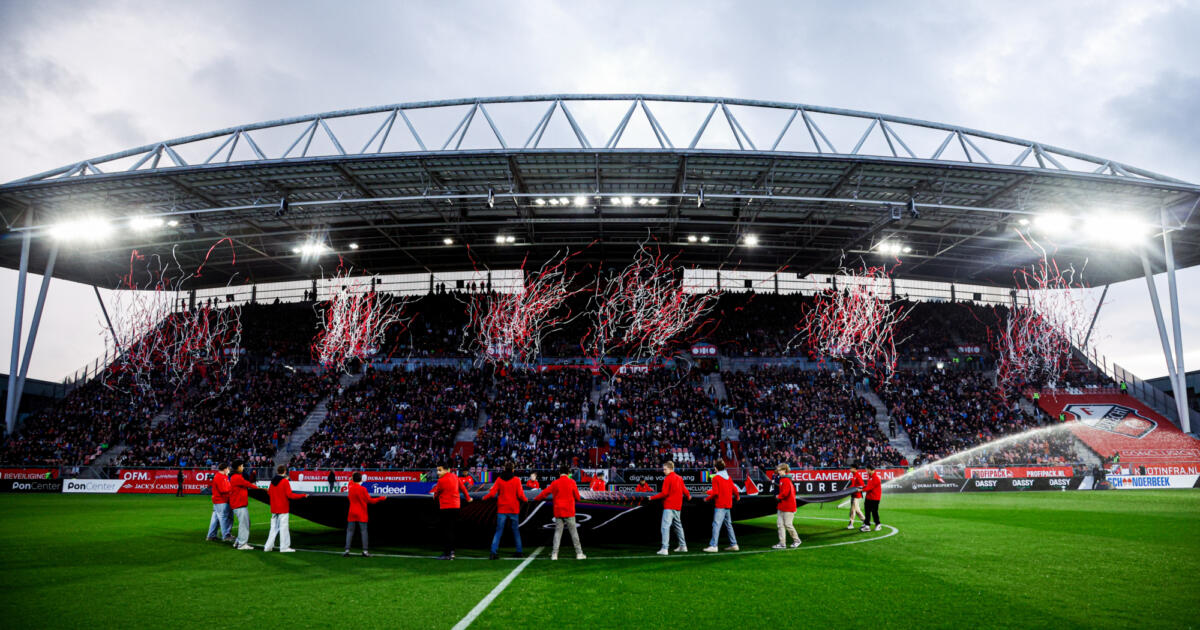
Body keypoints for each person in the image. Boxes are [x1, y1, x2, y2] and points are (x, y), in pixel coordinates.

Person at [534, 466, 585, 561]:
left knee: (557, 533)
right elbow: (578, 497)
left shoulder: (555, 482)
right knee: (574, 533)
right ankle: (579, 553)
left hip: (558, 511)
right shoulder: (572, 482)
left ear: (559, 473)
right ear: (568, 473)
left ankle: (554, 554)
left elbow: (544, 493)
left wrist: (535, 499)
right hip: (569, 511)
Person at [483, 462, 527, 560]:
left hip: (502, 509)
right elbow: (520, 495)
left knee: (498, 531)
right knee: (515, 531)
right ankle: (519, 551)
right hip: (513, 509)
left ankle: (493, 552)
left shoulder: (499, 479)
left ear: (504, 469)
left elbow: (492, 493)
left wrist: (484, 497)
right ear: (513, 469)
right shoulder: (516, 480)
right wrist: (526, 500)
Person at [431, 464, 472, 560]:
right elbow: (463, 488)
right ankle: (452, 552)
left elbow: (436, 494)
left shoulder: (441, 481)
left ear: (446, 470)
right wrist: (468, 498)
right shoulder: (455, 476)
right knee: (452, 529)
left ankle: (447, 553)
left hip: (446, 507)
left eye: (439, 470)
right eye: (437, 470)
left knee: (446, 530)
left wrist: (434, 497)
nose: (438, 473)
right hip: (456, 506)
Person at [650, 461, 690, 555]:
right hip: (677, 506)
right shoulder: (679, 478)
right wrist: (688, 496)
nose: (663, 471)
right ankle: (683, 546)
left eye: (665, 469)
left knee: (665, 527)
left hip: (669, 506)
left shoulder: (668, 478)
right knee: (678, 527)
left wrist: (652, 497)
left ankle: (664, 548)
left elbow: (664, 493)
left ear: (671, 469)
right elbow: (684, 489)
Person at [265, 465, 307, 552]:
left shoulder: (272, 481)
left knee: (273, 528)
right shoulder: (285, 481)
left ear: (278, 471)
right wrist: (303, 495)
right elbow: (290, 495)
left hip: (274, 508)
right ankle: (284, 547)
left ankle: (268, 547)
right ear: (284, 471)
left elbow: (269, 492)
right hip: (283, 508)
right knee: (284, 528)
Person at [345, 472, 386, 557]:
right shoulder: (363, 489)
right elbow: (370, 500)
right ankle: (365, 551)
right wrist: (381, 498)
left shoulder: (351, 488)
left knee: (349, 531)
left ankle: (347, 550)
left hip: (352, 512)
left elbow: (349, 495)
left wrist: (351, 479)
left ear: (353, 479)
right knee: (363, 532)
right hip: (361, 512)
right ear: (361, 479)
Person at [703, 460, 739, 553]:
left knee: (716, 525)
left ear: (716, 468)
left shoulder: (716, 478)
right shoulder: (728, 477)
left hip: (720, 505)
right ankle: (734, 544)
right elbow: (734, 489)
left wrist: (707, 498)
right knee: (729, 525)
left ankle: (713, 546)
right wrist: (737, 497)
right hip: (728, 504)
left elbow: (715, 492)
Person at [229, 461, 258, 550]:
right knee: (244, 524)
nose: (243, 467)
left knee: (246, 523)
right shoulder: (237, 477)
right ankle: (242, 544)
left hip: (239, 504)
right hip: (239, 504)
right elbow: (248, 484)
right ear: (238, 467)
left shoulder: (235, 476)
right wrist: (261, 488)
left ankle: (238, 542)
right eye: (241, 466)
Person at [773, 463, 801, 549]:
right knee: (780, 524)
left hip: (788, 506)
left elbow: (785, 493)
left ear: (784, 470)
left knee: (788, 524)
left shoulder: (786, 480)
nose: (778, 471)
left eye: (780, 470)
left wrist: (778, 496)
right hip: (782, 505)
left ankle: (797, 540)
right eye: (778, 470)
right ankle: (782, 543)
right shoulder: (783, 479)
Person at [206, 463, 233, 542]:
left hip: (219, 501)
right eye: (228, 468)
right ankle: (226, 536)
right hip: (221, 501)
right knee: (224, 518)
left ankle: (211, 535)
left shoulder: (222, 476)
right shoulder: (220, 477)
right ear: (225, 469)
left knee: (215, 519)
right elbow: (223, 490)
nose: (229, 470)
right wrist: (232, 489)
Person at [860, 464, 883, 532]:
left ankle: (878, 524)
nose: (866, 471)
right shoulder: (870, 477)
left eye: (867, 469)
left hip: (875, 498)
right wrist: (863, 487)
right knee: (867, 512)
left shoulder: (876, 478)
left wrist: (861, 490)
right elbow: (868, 486)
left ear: (870, 469)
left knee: (874, 512)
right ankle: (867, 526)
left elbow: (870, 488)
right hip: (869, 497)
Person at [846, 465, 866, 530]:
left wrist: (856, 490)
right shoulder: (854, 475)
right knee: (857, 510)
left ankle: (851, 524)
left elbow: (862, 485)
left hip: (856, 496)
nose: (849, 469)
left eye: (851, 468)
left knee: (852, 510)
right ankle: (865, 522)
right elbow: (853, 485)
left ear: (854, 468)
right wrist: (847, 489)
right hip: (853, 495)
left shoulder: (858, 476)